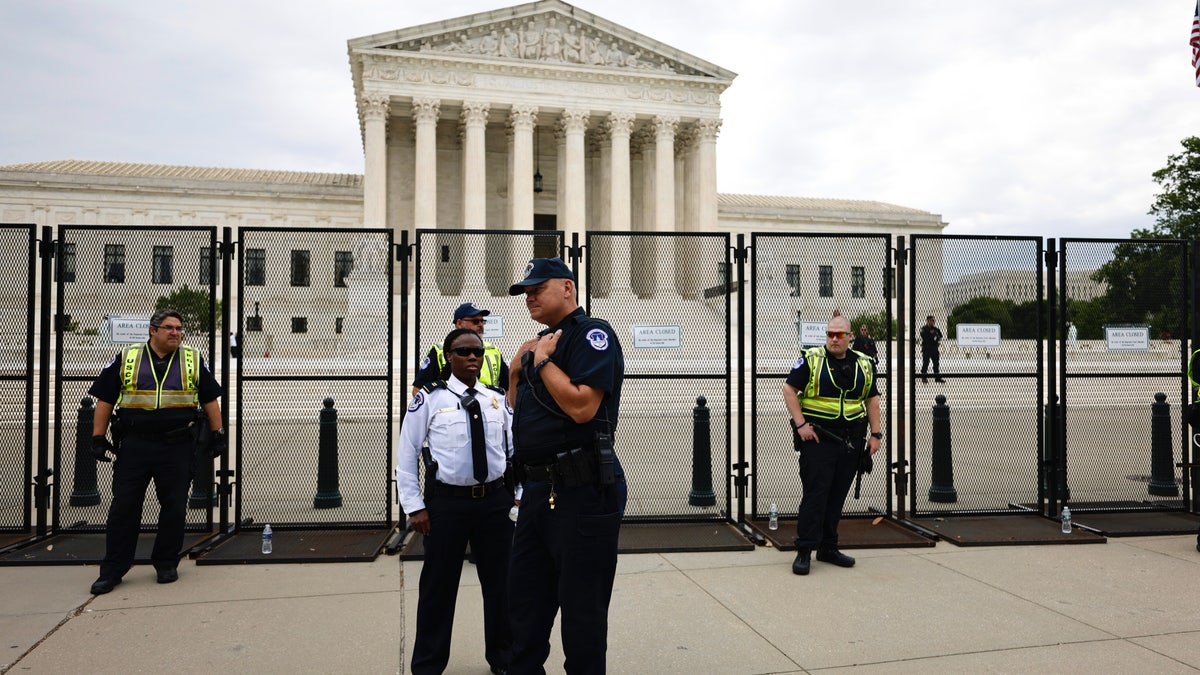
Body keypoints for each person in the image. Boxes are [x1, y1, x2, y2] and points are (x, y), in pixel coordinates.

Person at [505, 257, 625, 675]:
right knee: (524, 604)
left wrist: (540, 362)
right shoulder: (542, 342)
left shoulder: (593, 335)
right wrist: (517, 373)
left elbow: (581, 406)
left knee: (582, 613)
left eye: (539, 287)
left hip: (582, 490)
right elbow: (518, 410)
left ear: (568, 288)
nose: (530, 296)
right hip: (538, 491)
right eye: (526, 291)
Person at [396, 328, 516, 675]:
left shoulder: (496, 399)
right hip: (447, 506)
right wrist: (414, 506)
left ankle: (504, 658)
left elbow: (513, 451)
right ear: (449, 357)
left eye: (477, 352)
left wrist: (518, 495)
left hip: (495, 502)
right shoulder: (430, 399)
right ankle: (429, 664)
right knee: (438, 587)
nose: (473, 358)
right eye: (464, 351)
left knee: (502, 586)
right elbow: (407, 454)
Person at [87, 308, 225, 594]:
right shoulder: (128, 358)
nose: (176, 332)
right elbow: (105, 399)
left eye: (179, 328)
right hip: (136, 445)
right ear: (153, 330)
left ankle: (165, 562)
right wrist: (98, 437)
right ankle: (113, 569)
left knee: (173, 506)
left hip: (176, 445)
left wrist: (218, 433)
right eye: (169, 328)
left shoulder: (192, 359)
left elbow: (210, 398)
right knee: (124, 507)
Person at [782, 310, 881, 575]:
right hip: (819, 440)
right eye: (829, 334)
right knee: (816, 495)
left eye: (839, 335)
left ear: (850, 337)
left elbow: (872, 399)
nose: (834, 339)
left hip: (851, 441)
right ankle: (804, 550)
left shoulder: (863, 363)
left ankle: (828, 547)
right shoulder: (811, 359)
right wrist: (801, 424)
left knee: (837, 496)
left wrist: (876, 434)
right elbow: (789, 389)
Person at [412, 302, 509, 398]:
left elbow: (509, 387)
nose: (480, 325)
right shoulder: (439, 350)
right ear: (459, 323)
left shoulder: (493, 350)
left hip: (487, 408)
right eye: (475, 321)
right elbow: (418, 389)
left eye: (482, 321)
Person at [919, 315, 944, 383]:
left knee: (936, 363)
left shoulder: (936, 329)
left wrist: (935, 336)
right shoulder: (924, 328)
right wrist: (932, 335)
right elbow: (924, 336)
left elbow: (940, 336)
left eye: (933, 320)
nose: (933, 322)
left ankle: (937, 377)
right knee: (926, 363)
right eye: (932, 320)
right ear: (928, 321)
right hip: (927, 349)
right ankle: (924, 377)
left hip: (934, 349)